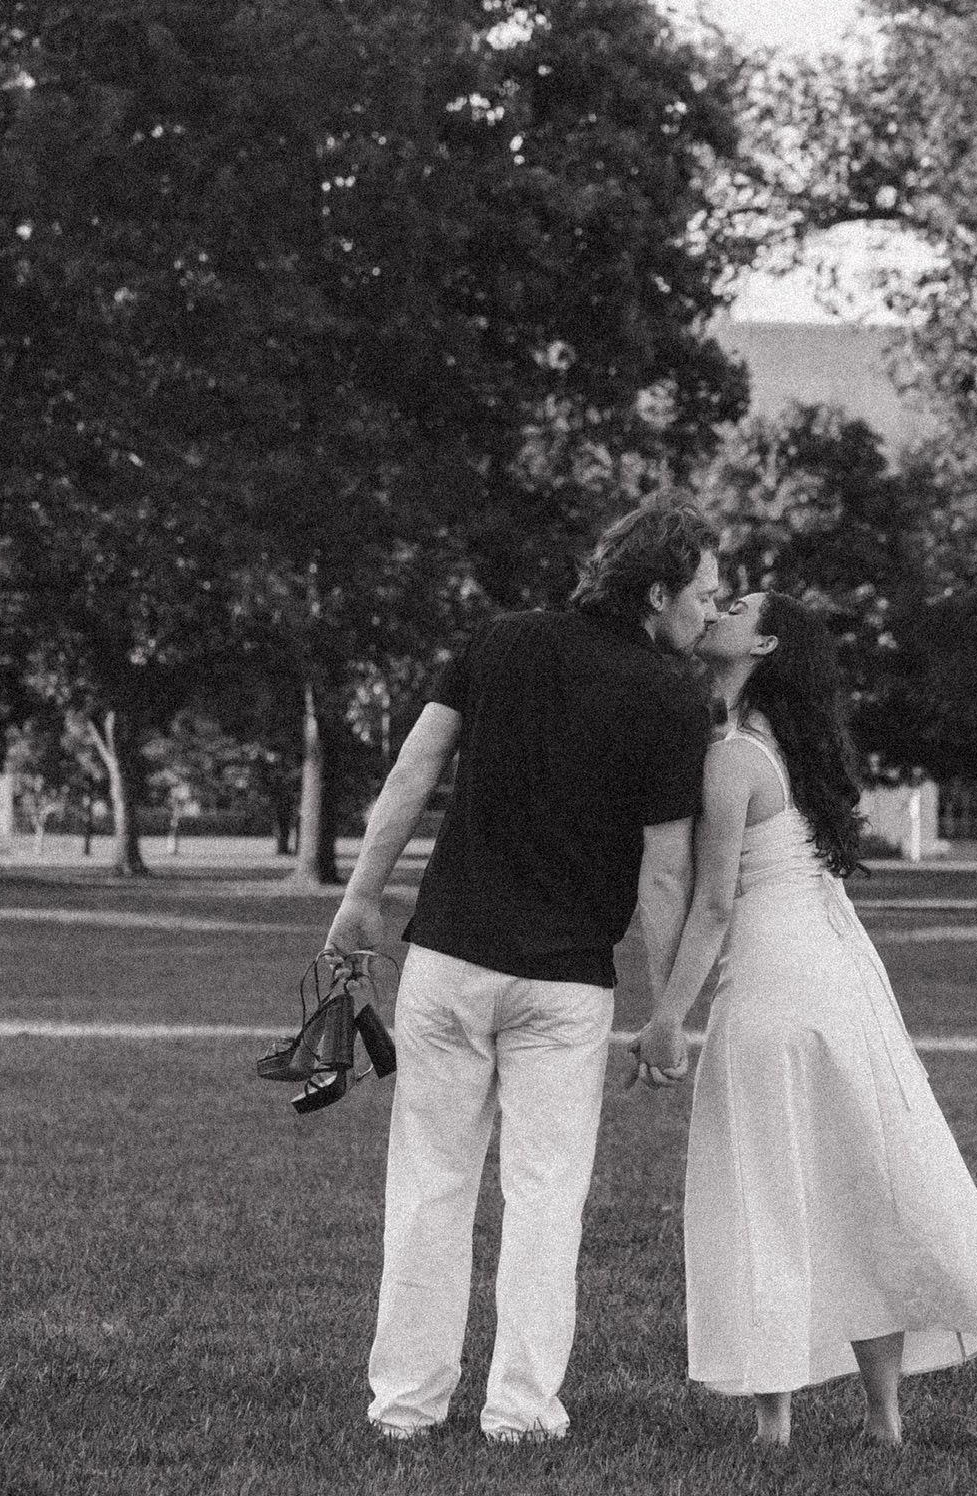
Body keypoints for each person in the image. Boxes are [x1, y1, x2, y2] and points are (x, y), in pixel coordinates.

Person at [324, 490, 720, 1443]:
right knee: (546, 1197)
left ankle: (405, 1407)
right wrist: (666, 1010)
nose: (712, 611)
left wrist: (361, 897)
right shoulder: (673, 698)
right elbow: (665, 874)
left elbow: (412, 773)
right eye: (705, 593)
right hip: (564, 984)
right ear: (657, 592)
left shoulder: (499, 641)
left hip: (449, 958)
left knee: (429, 1185)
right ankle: (522, 1412)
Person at [631, 591, 977, 1447]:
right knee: (857, 1191)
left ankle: (774, 1423)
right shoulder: (802, 751)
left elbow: (713, 905)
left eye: (738, 607)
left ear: (765, 645)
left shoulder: (733, 757)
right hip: (843, 984)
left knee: (767, 1191)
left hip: (773, 989)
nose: (719, 609)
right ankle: (882, 1414)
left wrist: (668, 1016)